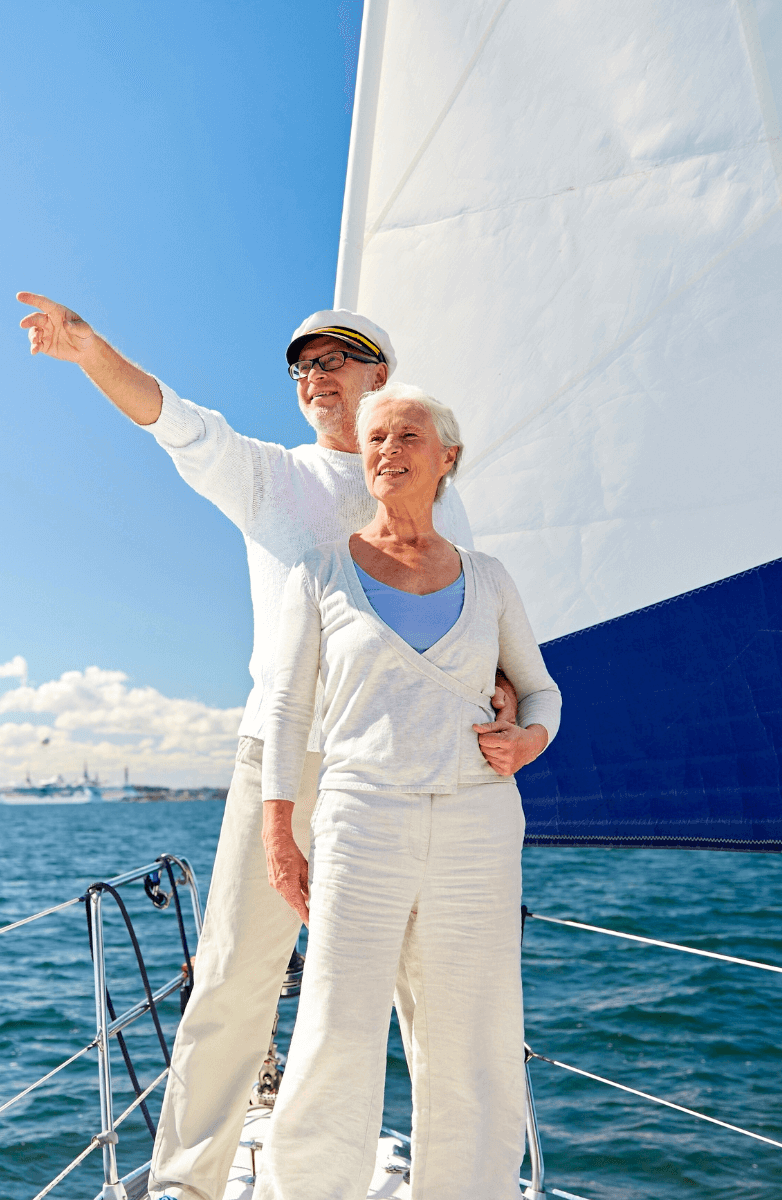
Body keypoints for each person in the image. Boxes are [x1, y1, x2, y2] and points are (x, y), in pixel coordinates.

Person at [16, 293, 510, 1200]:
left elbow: (474, 626)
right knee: (238, 978)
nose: (317, 377)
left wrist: (509, 702)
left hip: (411, 767)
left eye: (337, 359)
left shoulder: (443, 500)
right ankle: (185, 1184)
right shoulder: (272, 477)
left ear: (380, 378)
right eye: (304, 367)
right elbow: (175, 420)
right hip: (285, 761)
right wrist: (89, 350)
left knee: (429, 997)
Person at [257, 383, 559, 1200]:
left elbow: (541, 693)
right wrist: (279, 832)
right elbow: (288, 710)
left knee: (473, 1033)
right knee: (334, 1025)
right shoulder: (321, 574)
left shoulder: (488, 579)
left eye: (407, 436)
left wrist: (529, 739)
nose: (387, 448)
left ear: (446, 459)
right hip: (361, 820)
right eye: (376, 437)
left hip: (478, 823)